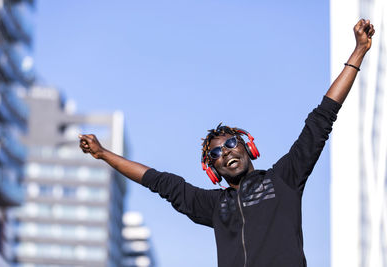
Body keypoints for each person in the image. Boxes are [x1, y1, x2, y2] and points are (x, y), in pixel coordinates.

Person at [79, 19, 375, 267]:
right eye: (217, 153)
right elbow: (156, 180)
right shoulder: (212, 206)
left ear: (248, 146)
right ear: (213, 169)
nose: (226, 152)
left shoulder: (285, 178)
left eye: (231, 143)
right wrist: (104, 154)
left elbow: (322, 117)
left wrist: (359, 51)